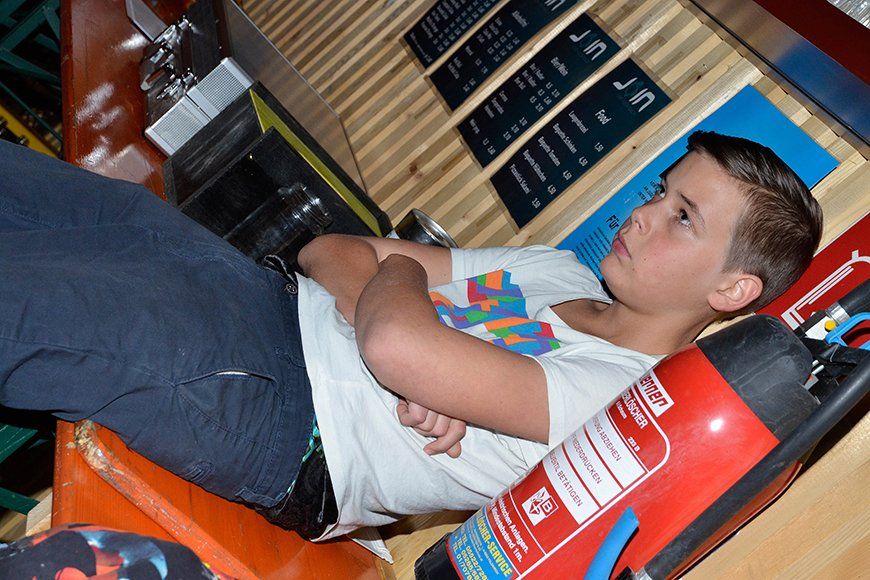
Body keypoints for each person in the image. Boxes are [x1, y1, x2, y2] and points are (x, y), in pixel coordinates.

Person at [0, 131, 822, 542]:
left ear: (732, 290)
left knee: (26, 304)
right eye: (659, 193)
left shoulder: (624, 401)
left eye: (683, 218)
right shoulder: (557, 270)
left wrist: (398, 291)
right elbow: (330, 250)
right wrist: (396, 307)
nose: (643, 215)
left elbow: (392, 341)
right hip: (253, 294)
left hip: (281, 414)